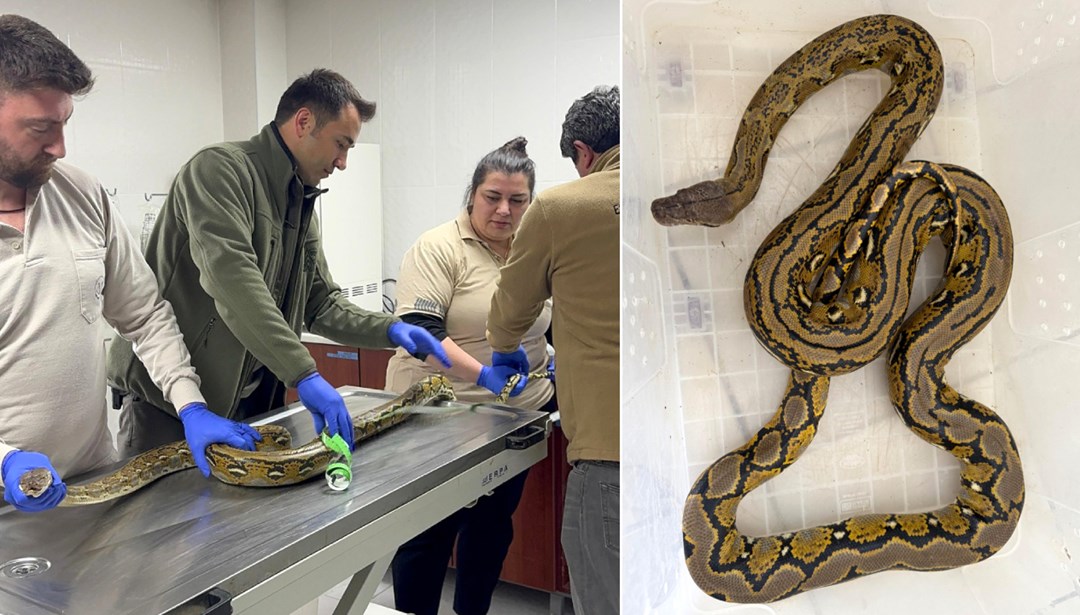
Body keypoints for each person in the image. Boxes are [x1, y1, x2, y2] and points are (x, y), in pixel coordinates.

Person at [107, 69, 450, 456]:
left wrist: (390, 330)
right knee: (162, 515)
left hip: (249, 407)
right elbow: (234, 285)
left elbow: (321, 304)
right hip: (170, 408)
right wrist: (303, 372)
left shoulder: (300, 203)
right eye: (341, 144)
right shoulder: (219, 171)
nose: (342, 163)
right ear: (303, 122)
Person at [0, 14, 260, 513]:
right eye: (40, 128)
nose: (60, 146)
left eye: (64, 123)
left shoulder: (81, 194)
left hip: (93, 483)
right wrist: (7, 460)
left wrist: (190, 403)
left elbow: (143, 314)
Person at [384, 137, 555, 615]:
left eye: (517, 200)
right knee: (428, 535)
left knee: (492, 529)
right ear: (472, 194)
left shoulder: (532, 249)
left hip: (513, 419)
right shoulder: (439, 247)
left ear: (530, 202)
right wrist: (486, 374)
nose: (504, 210)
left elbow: (548, 317)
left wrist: (553, 357)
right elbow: (418, 330)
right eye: (492, 197)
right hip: (439, 421)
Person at [486, 86, 620, 615]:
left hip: (610, 460)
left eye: (516, 200)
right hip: (692, 452)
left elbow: (509, 312)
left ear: (583, 153)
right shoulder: (681, 190)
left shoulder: (561, 207)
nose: (505, 210)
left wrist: (503, 348)